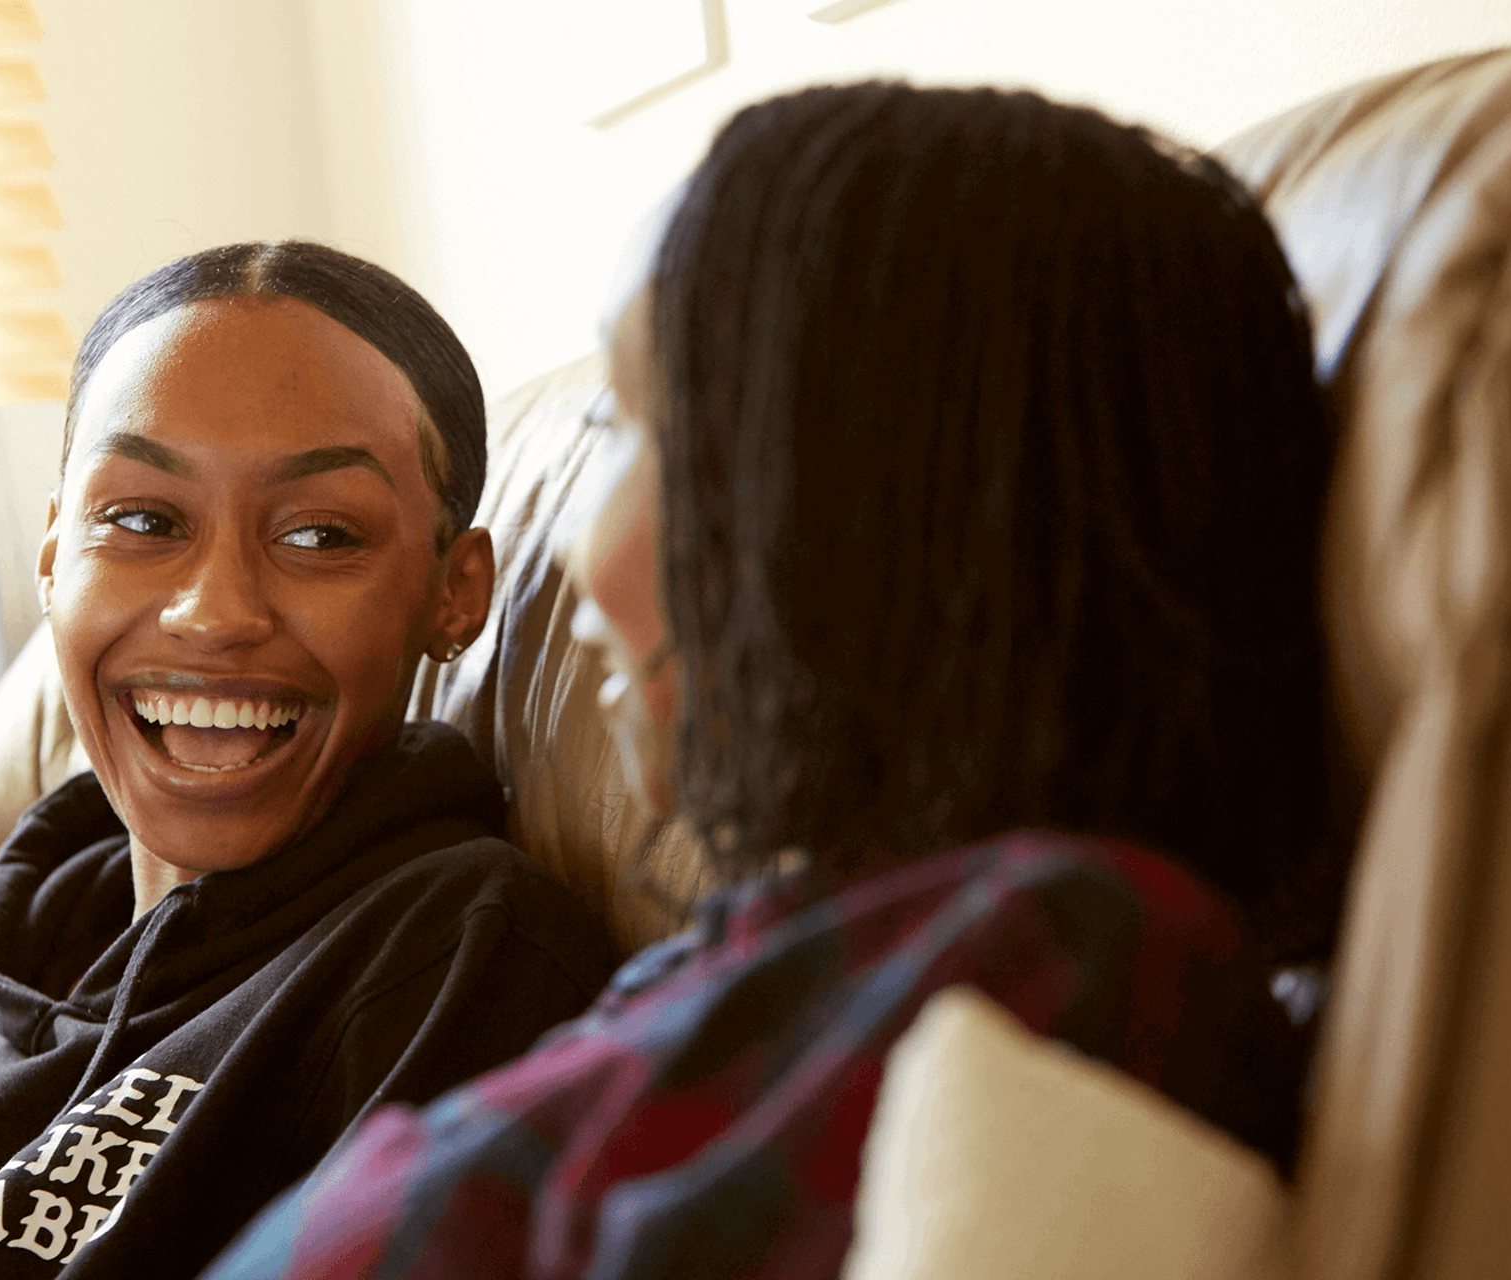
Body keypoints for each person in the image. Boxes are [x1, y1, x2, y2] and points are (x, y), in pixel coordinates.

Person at [201, 83, 1345, 1280]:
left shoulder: (1063, 967)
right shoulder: (766, 958)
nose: (582, 547)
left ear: (872, 506)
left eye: (643, 434)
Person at [0, 242, 616, 1280]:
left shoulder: (466, 959)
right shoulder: (11, 942)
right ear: (55, 558)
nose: (214, 611)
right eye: (141, 520)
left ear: (457, 591)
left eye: (318, 534)